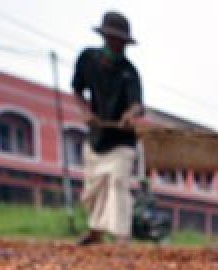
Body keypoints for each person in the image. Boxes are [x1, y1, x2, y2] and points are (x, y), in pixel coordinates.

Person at [72, 11, 144, 245]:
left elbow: (138, 104)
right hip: (97, 136)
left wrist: (129, 115)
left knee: (118, 183)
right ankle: (96, 232)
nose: (118, 44)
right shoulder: (87, 59)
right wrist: (85, 112)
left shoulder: (129, 72)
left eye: (122, 41)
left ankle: (122, 235)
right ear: (105, 37)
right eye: (114, 38)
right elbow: (77, 89)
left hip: (122, 140)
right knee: (94, 187)